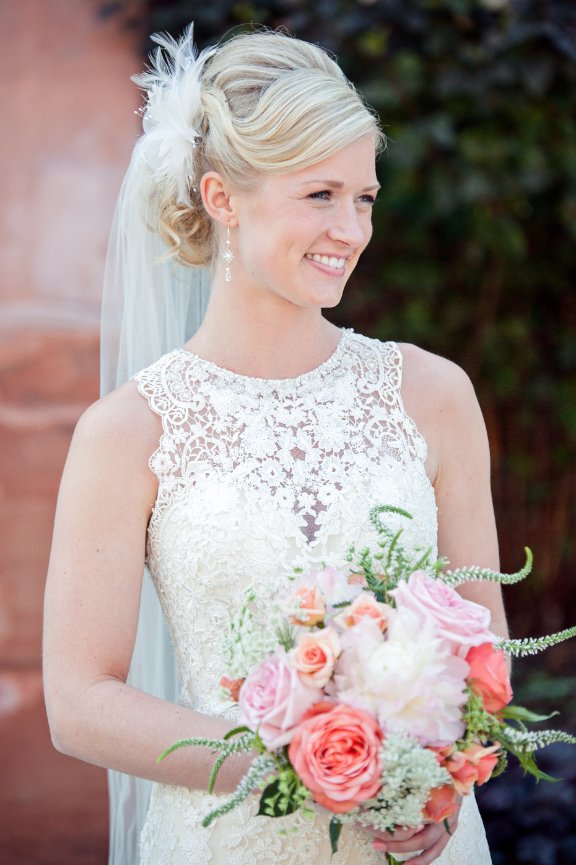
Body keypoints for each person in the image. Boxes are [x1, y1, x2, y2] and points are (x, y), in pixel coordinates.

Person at [43, 24, 509, 865]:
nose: (351, 229)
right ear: (222, 199)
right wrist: (295, 767)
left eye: (364, 197)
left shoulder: (434, 396)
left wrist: (444, 786)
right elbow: (79, 703)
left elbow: (486, 658)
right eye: (319, 194)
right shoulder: (128, 433)